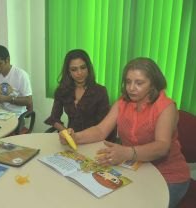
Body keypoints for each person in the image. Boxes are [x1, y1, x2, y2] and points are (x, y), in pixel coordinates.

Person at [60, 57, 190, 208]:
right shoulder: (123, 102)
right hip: (135, 169)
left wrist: (127, 153)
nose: (131, 88)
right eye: (128, 82)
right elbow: (101, 130)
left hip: (169, 176)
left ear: (153, 83)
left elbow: (162, 147)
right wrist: (75, 137)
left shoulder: (166, 107)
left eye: (139, 83)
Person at [45, 49, 112, 135]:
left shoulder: (100, 91)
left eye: (83, 67)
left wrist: (81, 137)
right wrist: (66, 132)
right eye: (74, 69)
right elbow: (54, 118)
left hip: (93, 139)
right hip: (71, 140)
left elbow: (104, 125)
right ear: (68, 72)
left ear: (88, 68)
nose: (79, 73)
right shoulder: (62, 90)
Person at [0, 45, 32, 116]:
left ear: (7, 60)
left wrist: (7, 99)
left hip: (16, 116)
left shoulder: (21, 75)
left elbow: (28, 101)